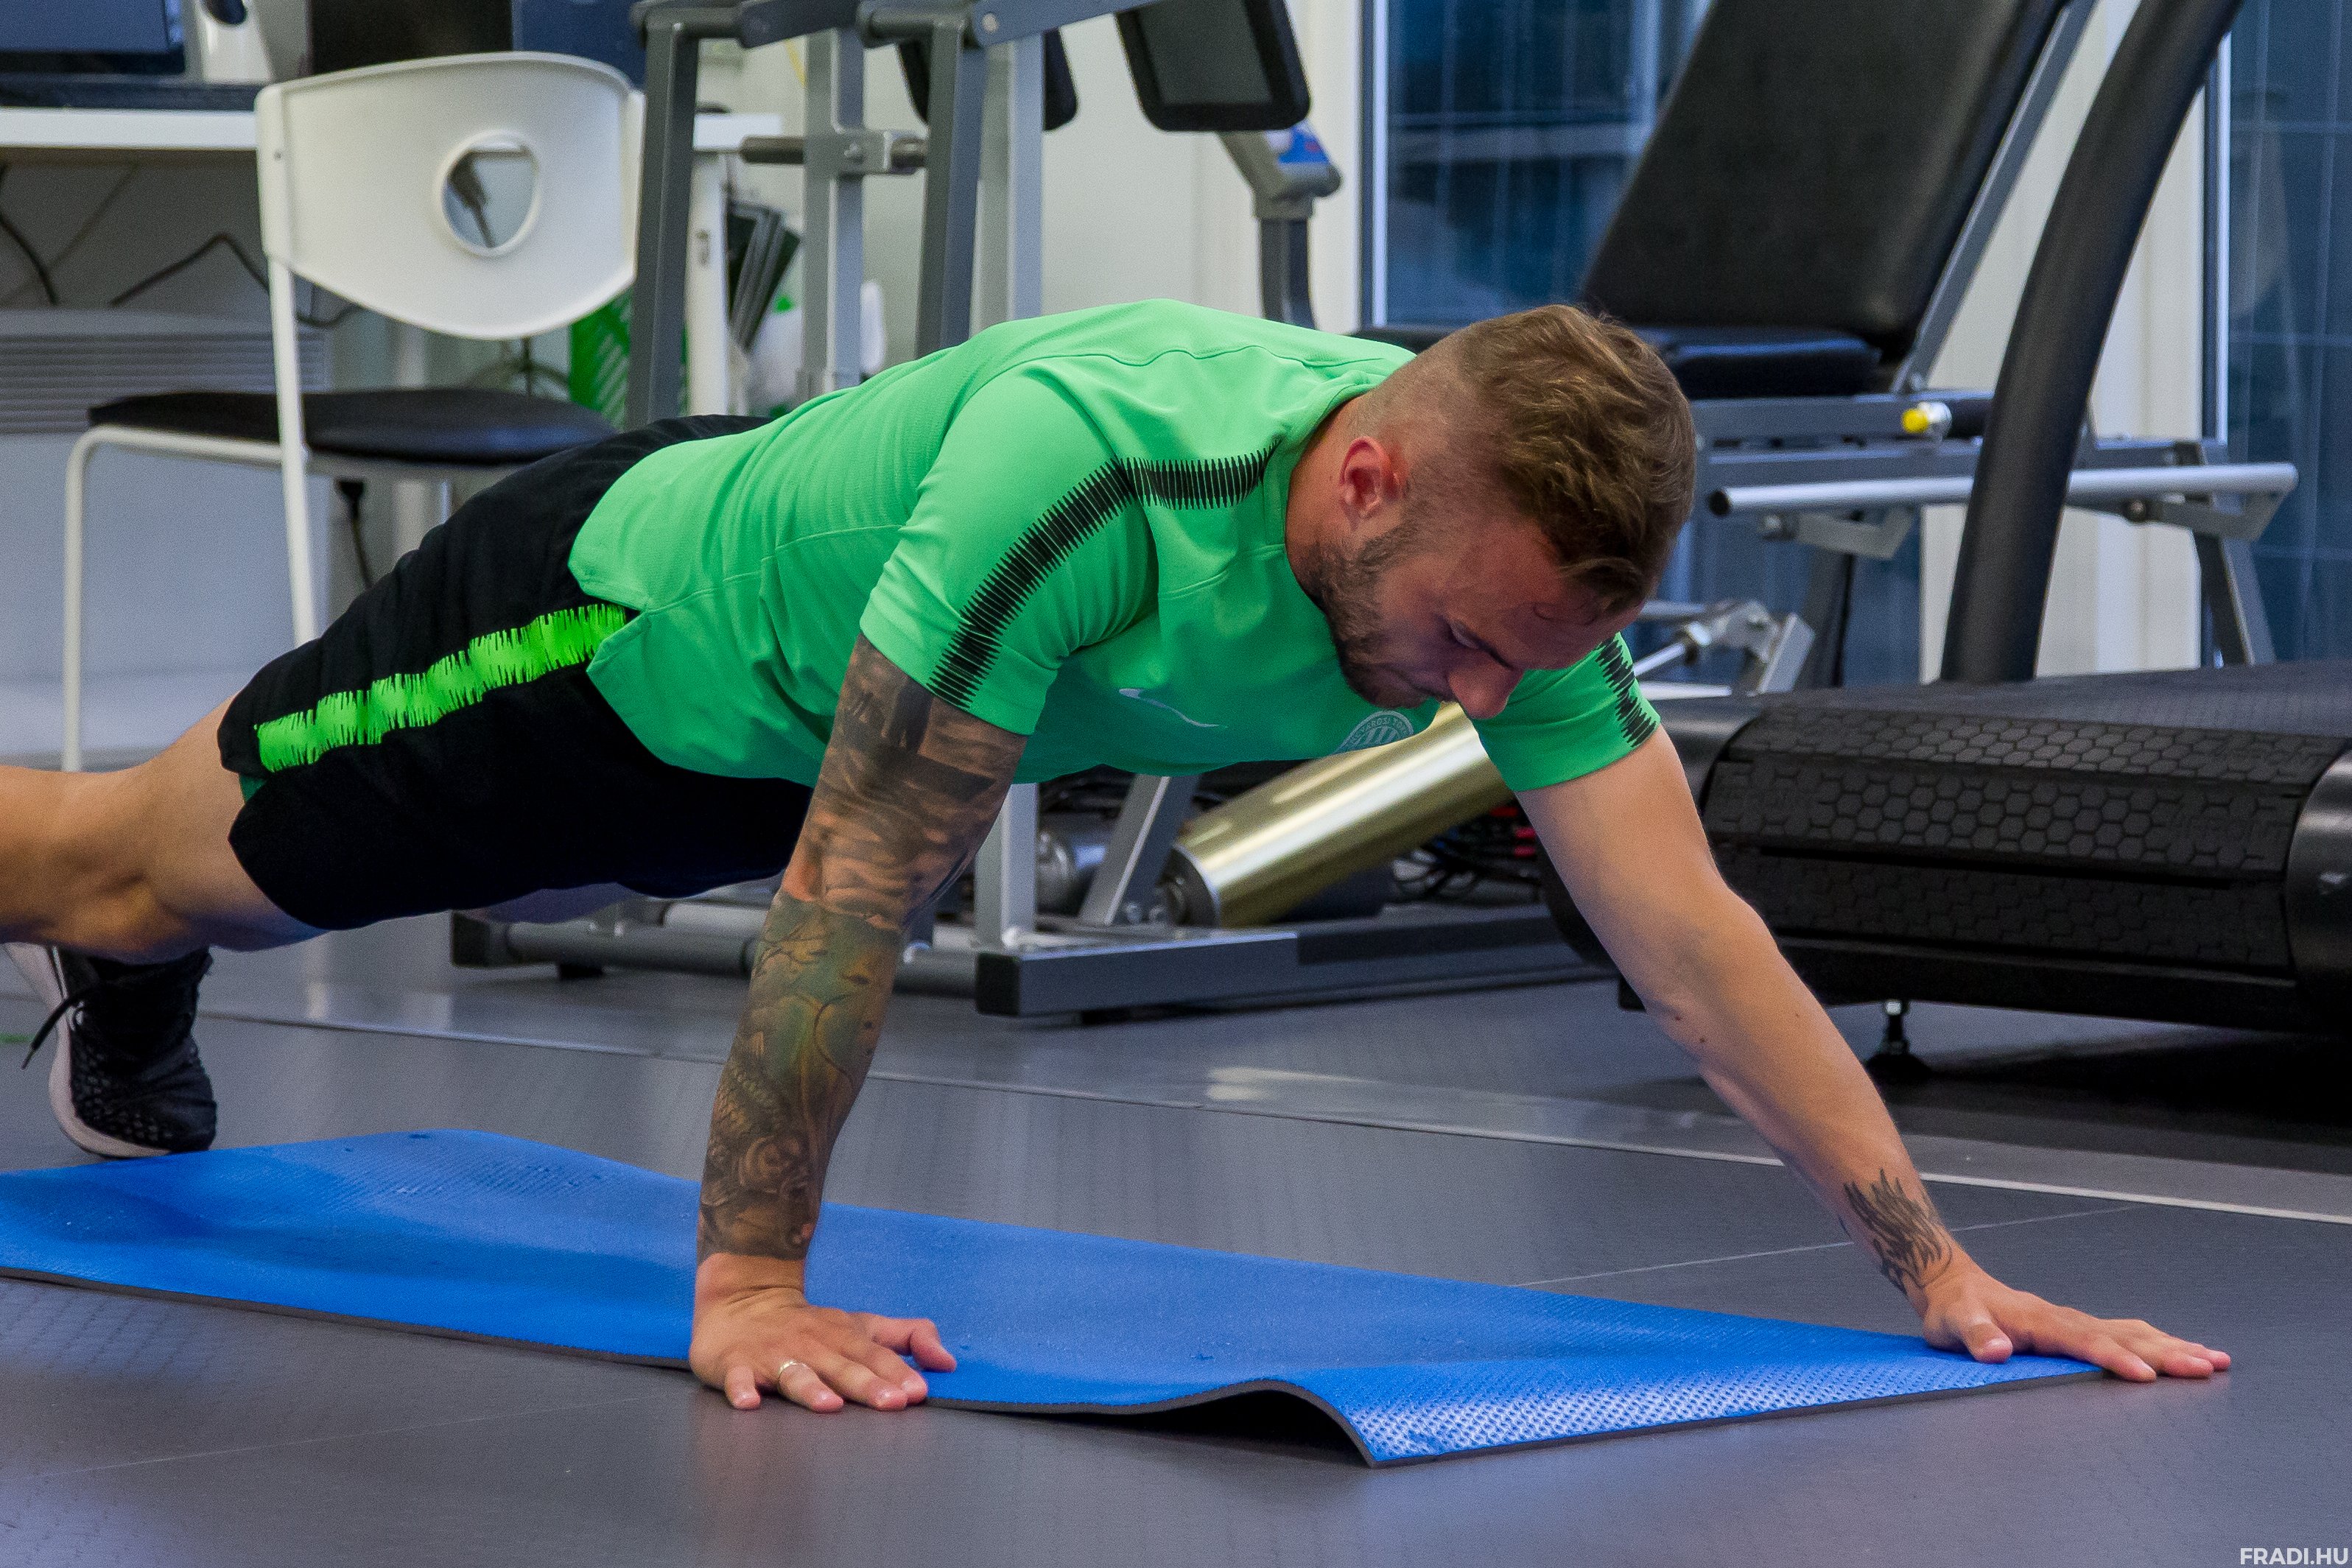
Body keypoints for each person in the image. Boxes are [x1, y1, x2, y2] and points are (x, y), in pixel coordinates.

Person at [1, 300, 2228, 1413]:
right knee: (123, 863)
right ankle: (131, 956)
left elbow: (1692, 941)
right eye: (1462, 644)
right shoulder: (1082, 476)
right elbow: (857, 892)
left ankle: (144, 965)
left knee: (267, 889)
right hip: (601, 643)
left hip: (763, 747)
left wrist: (1935, 1270)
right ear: (1365, 481)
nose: (1473, 703)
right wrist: (751, 1286)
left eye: (1516, 666)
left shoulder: (1505, 579)